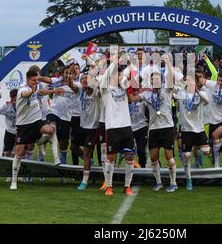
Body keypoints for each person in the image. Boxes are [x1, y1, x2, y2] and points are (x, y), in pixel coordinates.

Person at [130, 54, 179, 192]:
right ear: (150, 82)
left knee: (169, 157)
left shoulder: (167, 89)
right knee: (153, 157)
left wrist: (168, 62)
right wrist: (128, 88)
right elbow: (132, 99)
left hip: (167, 127)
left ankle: (173, 182)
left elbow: (171, 77)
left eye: (157, 78)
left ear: (161, 80)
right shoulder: (146, 94)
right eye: (153, 79)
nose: (155, 80)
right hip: (153, 129)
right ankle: (158, 182)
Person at [10, 69, 59, 190]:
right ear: (27, 79)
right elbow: (25, 94)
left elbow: (40, 92)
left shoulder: (35, 87)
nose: (35, 83)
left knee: (51, 130)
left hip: (36, 122)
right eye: (33, 80)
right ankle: (14, 181)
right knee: (19, 153)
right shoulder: (22, 89)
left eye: (37, 80)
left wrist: (53, 90)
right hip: (23, 126)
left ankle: (54, 156)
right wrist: (32, 91)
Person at [99, 52, 135, 196]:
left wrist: (125, 61)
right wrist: (114, 62)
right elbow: (106, 76)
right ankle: (109, 186)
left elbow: (131, 71)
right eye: (117, 75)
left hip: (126, 126)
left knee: (130, 156)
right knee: (111, 157)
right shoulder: (105, 89)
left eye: (120, 75)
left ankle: (127, 186)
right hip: (112, 127)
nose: (120, 77)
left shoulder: (124, 88)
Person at [173, 72, 210, 191]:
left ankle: (199, 161)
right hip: (186, 130)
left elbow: (207, 100)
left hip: (199, 129)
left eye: (191, 81)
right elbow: (170, 89)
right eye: (187, 80)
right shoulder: (181, 93)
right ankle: (189, 179)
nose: (188, 82)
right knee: (186, 155)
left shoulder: (201, 94)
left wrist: (197, 91)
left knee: (206, 151)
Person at [198, 69, 222, 168]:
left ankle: (217, 164)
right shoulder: (214, 85)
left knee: (215, 135)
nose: (220, 83)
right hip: (213, 121)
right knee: (211, 149)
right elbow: (201, 80)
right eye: (219, 80)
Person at [77, 72, 101, 191]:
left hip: (93, 127)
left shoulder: (95, 93)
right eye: (83, 79)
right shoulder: (81, 92)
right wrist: (71, 75)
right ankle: (89, 161)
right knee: (73, 146)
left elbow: (99, 88)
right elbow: (71, 85)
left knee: (87, 153)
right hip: (82, 126)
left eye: (87, 78)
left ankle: (84, 181)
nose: (85, 80)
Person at [0, 89, 18, 158]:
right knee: (7, 152)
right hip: (9, 131)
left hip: (20, 132)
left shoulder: (23, 104)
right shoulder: (6, 104)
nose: (13, 101)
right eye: (12, 98)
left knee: (20, 152)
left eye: (15, 99)